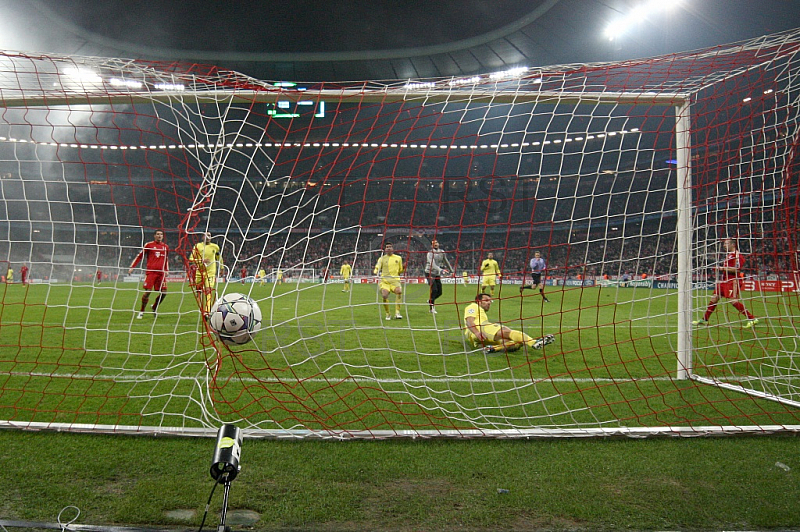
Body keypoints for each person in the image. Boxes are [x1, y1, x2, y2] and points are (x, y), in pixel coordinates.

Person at [694, 238, 758, 328]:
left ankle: (752, 319)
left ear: (732, 245)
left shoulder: (737, 256)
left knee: (733, 301)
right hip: (724, 280)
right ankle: (704, 319)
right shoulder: (730, 255)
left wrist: (721, 268)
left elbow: (737, 269)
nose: (724, 245)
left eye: (726, 243)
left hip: (733, 280)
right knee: (714, 298)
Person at [463, 293, 555, 353]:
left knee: (516, 343)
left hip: (477, 338)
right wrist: (476, 332)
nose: (489, 303)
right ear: (478, 301)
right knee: (506, 331)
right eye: (486, 300)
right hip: (479, 329)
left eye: (490, 301)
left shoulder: (481, 312)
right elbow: (469, 321)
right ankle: (534, 342)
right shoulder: (473, 306)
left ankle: (492, 349)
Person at [129, 229, 169, 319]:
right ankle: (141, 311)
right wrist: (132, 267)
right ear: (154, 236)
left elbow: (166, 259)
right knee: (147, 292)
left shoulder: (166, 247)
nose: (159, 236)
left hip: (161, 273)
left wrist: (166, 270)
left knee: (164, 293)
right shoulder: (149, 245)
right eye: (158, 234)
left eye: (161, 234)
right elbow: (139, 256)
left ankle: (154, 307)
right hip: (151, 272)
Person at [189, 231, 221, 317]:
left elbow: (219, 258)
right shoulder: (197, 246)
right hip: (199, 272)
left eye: (209, 235)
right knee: (199, 291)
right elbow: (191, 259)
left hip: (210, 273)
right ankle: (202, 308)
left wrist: (221, 268)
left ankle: (207, 312)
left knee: (208, 291)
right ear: (202, 237)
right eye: (206, 235)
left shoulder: (215, 247)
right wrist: (201, 261)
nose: (208, 236)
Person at [374, 242, 404, 320]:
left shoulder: (398, 258)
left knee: (399, 291)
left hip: (395, 280)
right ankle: (388, 314)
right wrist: (376, 270)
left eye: (390, 247)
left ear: (393, 249)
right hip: (385, 281)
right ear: (385, 249)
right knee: (385, 295)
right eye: (387, 247)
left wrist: (403, 269)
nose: (389, 248)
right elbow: (378, 266)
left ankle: (397, 313)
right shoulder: (382, 259)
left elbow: (400, 271)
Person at [425, 239, 453, 314]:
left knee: (440, 292)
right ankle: (431, 308)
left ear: (439, 243)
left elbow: (446, 261)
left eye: (436, 242)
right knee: (434, 289)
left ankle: (431, 300)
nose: (435, 244)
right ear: (431, 245)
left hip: (437, 273)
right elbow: (432, 264)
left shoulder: (442, 252)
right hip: (429, 272)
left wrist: (452, 270)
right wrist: (440, 269)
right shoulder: (430, 253)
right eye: (433, 243)